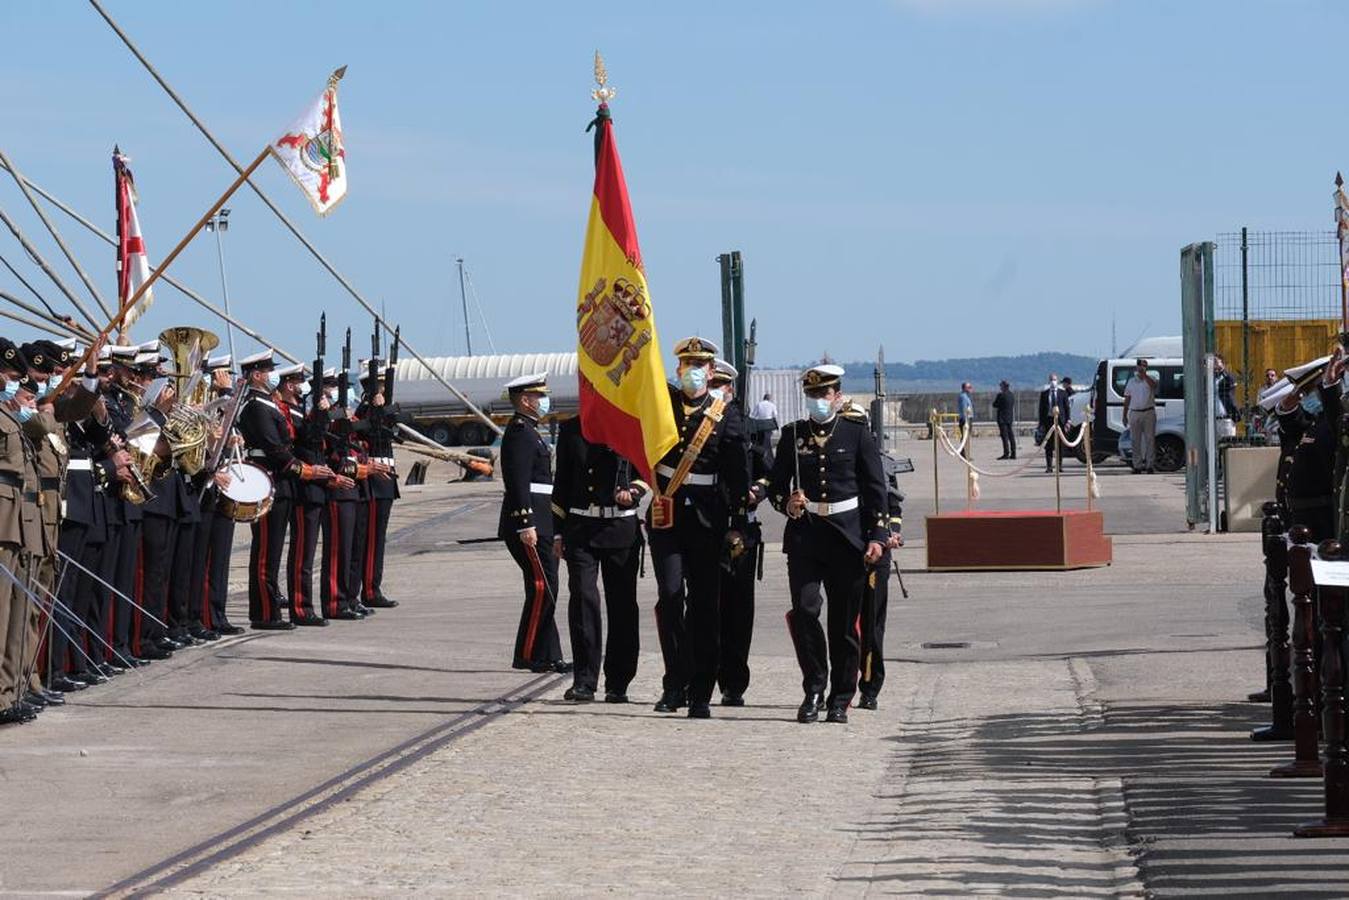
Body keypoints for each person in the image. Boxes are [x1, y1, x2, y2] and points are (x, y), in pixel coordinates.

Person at [768, 364, 887, 725]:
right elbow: (775, 486)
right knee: (805, 611)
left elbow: (875, 489)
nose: (817, 401)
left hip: (846, 536)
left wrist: (877, 536)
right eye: (812, 395)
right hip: (806, 535)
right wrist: (786, 503)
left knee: (843, 622)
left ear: (837, 396)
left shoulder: (855, 433)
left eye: (823, 395)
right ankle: (814, 686)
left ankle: (841, 695)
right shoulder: (793, 435)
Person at [648, 337, 750, 719]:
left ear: (711, 371)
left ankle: (701, 691)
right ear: (677, 369)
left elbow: (737, 472)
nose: (692, 370)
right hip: (667, 514)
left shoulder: (726, 414)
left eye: (699, 364)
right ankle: (675, 682)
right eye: (686, 363)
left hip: (708, 519)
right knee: (671, 596)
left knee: (705, 606)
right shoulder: (663, 406)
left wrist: (738, 524)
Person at [551, 416, 642, 703]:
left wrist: (635, 492)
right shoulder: (571, 429)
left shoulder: (631, 423)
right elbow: (562, 480)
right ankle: (585, 680)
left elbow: (647, 471)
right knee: (583, 600)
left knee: (622, 604)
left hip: (620, 527)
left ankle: (618, 681)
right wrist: (556, 532)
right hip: (580, 526)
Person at [498, 373, 569, 673]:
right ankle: (529, 654)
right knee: (543, 587)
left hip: (542, 519)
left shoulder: (531, 430)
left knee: (546, 587)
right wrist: (525, 523)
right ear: (526, 400)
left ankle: (549, 654)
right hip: (528, 524)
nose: (544, 401)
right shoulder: (519, 432)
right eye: (539, 396)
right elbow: (517, 482)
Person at [710, 359, 765, 707]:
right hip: (707, 525)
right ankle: (700, 675)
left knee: (739, 611)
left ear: (731, 389)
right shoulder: (694, 425)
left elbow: (769, 472)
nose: (715, 389)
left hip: (742, 528)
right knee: (703, 607)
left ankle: (733, 682)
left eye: (720, 384)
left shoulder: (752, 429)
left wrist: (756, 490)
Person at [1121, 359, 1158, 474]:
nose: (1142, 368)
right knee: (1135, 440)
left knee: (1150, 439)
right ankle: (1137, 465)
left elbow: (1154, 386)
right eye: (1140, 366)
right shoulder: (1131, 381)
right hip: (1135, 412)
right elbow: (1127, 398)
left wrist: (1145, 376)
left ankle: (1149, 465)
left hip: (1148, 412)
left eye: (1144, 366)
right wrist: (1124, 414)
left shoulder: (1151, 379)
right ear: (1136, 367)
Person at [1038, 374, 1071, 473]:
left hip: (1060, 421)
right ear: (1049, 381)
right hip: (1049, 421)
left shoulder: (1063, 393)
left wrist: (1068, 421)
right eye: (1051, 379)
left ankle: (1059, 466)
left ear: (1057, 381)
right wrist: (1041, 424)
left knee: (1060, 444)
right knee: (1048, 444)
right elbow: (1041, 410)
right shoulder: (1044, 394)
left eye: (1055, 379)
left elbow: (1067, 408)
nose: (1053, 381)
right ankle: (1049, 466)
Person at [1214, 354, 1239, 439]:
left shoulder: (1228, 377)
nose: (1214, 364)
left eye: (1216, 362)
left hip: (1226, 418)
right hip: (1212, 419)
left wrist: (1222, 371)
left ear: (1223, 364)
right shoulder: (1210, 378)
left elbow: (1231, 383)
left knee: (1228, 443)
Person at [992, 380, 1016, 460]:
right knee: (1011, 436)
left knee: (1005, 436)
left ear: (1003, 387)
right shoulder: (1011, 395)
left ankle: (1006, 453)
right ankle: (1013, 453)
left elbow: (995, 404)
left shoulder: (1001, 395)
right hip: (1009, 418)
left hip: (1002, 418)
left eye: (1001, 386)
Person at [956, 382, 974, 459]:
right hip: (965, 419)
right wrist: (965, 419)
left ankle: (964, 452)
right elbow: (964, 409)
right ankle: (965, 453)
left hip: (967, 418)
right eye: (969, 387)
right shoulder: (963, 397)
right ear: (964, 388)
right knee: (965, 437)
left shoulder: (966, 396)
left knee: (966, 437)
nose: (971, 389)